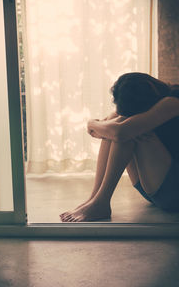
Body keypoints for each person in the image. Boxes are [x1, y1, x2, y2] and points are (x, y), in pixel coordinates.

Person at [60, 72, 179, 222]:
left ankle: (101, 202)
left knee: (124, 129)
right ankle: (95, 198)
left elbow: (119, 132)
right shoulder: (146, 100)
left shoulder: (173, 101)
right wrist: (101, 126)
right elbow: (110, 123)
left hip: (173, 193)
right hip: (156, 190)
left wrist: (91, 123)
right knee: (118, 123)